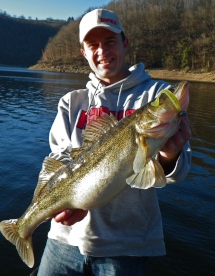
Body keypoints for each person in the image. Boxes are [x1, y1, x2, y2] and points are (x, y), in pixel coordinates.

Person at [37, 8, 191, 276]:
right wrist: (57, 205)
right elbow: (59, 159)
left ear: (125, 43)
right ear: (83, 52)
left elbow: (179, 173)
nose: (102, 51)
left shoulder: (157, 93)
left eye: (110, 42)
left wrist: (169, 156)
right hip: (63, 240)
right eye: (93, 45)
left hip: (126, 248)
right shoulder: (71, 102)